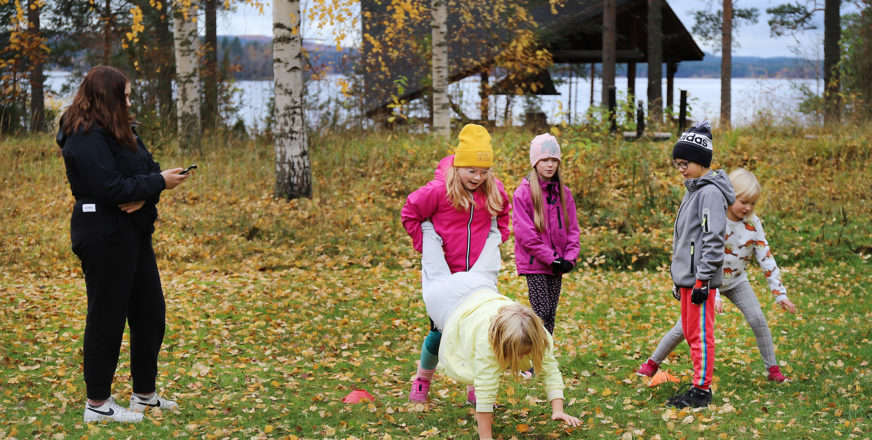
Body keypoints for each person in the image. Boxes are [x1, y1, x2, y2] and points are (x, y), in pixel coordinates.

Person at [57, 66, 188, 423]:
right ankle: (97, 404)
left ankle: (144, 395)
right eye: (125, 96)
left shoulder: (120, 129)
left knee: (149, 312)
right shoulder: (83, 134)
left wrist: (149, 191)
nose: (129, 102)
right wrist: (155, 183)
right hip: (102, 232)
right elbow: (109, 188)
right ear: (105, 96)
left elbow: (148, 169)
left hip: (132, 229)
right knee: (107, 316)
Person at [419, 220, 580, 439]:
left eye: (526, 351)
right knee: (434, 270)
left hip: (479, 287)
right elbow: (485, 389)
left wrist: (558, 409)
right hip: (448, 302)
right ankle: (428, 227)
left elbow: (550, 370)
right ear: (500, 343)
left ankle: (494, 226)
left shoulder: (540, 336)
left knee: (489, 259)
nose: (525, 357)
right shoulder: (489, 343)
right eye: (520, 353)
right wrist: (486, 437)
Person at [636, 168, 795, 383]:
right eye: (743, 201)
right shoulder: (714, 217)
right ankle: (652, 363)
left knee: (758, 319)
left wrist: (780, 293)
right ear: (729, 195)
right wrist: (714, 294)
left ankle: (773, 369)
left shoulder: (752, 223)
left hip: (737, 280)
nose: (747, 208)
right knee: (684, 327)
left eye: (752, 203)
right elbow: (706, 256)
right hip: (707, 282)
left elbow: (766, 258)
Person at [401, 124, 511, 403]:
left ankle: (475, 384)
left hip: (478, 277)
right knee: (439, 333)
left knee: (478, 330)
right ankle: (423, 380)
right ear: (459, 166)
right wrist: (425, 246)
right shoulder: (438, 190)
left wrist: (497, 240)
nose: (477, 177)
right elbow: (410, 213)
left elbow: (505, 214)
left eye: (484, 171)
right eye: (471, 170)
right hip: (445, 276)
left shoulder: (494, 190)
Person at [653, 121, 735, 409]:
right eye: (677, 164)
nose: (681, 170)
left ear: (701, 161)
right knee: (689, 333)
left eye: (685, 163)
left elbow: (712, 240)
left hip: (701, 281)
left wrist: (702, 280)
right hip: (688, 279)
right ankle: (696, 384)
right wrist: (680, 278)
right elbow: (687, 240)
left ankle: (702, 391)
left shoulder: (710, 193)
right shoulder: (693, 189)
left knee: (700, 335)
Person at [512, 133, 579, 340]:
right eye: (544, 160)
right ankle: (531, 359)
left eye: (554, 160)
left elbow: (573, 229)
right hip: (536, 264)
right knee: (541, 313)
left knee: (550, 315)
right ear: (535, 162)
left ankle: (544, 357)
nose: (550, 165)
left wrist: (569, 258)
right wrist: (552, 258)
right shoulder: (523, 194)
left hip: (557, 264)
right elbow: (526, 235)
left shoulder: (564, 194)